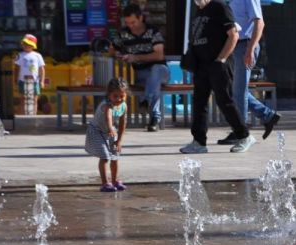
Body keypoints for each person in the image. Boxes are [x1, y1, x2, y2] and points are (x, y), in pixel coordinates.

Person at [180, 0, 256, 154]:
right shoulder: (199, 10)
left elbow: (233, 35)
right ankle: (199, 141)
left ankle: (244, 135)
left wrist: (221, 59)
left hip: (218, 63)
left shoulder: (219, 6)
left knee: (224, 100)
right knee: (199, 103)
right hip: (201, 64)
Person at [222, 0, 281, 146]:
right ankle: (267, 115)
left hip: (244, 45)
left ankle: (240, 132)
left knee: (238, 91)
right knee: (231, 89)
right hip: (231, 46)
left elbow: (259, 23)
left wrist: (250, 49)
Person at [111, 3, 169, 132]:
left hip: (161, 71)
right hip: (141, 74)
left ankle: (145, 100)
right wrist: (118, 54)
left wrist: (135, 57)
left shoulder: (153, 31)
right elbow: (112, 49)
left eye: (133, 22)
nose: (131, 26)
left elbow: (159, 55)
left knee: (155, 71)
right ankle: (154, 119)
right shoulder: (124, 34)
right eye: (128, 23)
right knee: (153, 84)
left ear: (141, 18)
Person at [84, 78, 129, 192]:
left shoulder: (123, 106)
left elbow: (123, 123)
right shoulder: (107, 105)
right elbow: (108, 117)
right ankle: (105, 183)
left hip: (110, 132)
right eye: (115, 96)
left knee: (115, 156)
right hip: (97, 131)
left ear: (126, 95)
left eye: (121, 96)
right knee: (104, 156)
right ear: (109, 95)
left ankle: (114, 181)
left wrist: (119, 140)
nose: (118, 99)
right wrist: (110, 128)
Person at [14, 34, 45, 115]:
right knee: (23, 99)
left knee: (34, 100)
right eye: (24, 44)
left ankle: (33, 117)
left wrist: (42, 81)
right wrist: (15, 78)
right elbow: (16, 68)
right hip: (22, 80)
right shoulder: (19, 55)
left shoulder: (38, 55)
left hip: (34, 81)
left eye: (28, 44)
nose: (26, 46)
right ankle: (21, 117)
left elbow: (41, 69)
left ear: (32, 45)